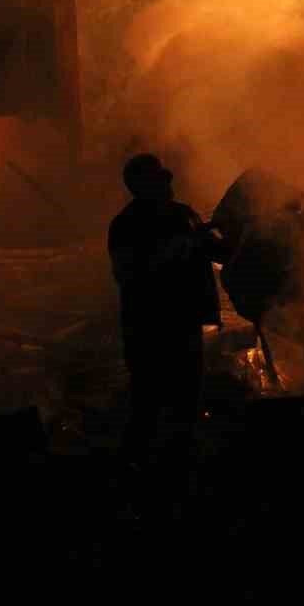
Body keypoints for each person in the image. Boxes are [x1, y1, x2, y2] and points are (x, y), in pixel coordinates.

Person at [108, 153, 222, 505]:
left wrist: (225, 234)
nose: (169, 184)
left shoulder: (183, 215)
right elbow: (131, 274)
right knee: (150, 406)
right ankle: (140, 488)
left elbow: (217, 252)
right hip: (150, 332)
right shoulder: (126, 226)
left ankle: (183, 481)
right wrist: (180, 247)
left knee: (187, 404)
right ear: (144, 186)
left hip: (184, 327)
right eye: (161, 180)